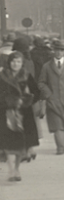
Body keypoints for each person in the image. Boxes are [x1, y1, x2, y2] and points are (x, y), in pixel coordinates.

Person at [0, 52, 40, 182]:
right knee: (5, 142)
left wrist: (26, 101)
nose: (15, 64)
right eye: (13, 61)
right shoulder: (2, 76)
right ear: (9, 62)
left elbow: (36, 92)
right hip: (5, 111)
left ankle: (16, 169)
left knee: (20, 143)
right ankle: (11, 169)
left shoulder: (26, 76)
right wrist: (7, 102)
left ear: (22, 63)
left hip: (23, 113)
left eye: (18, 62)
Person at [37, 40, 64, 155]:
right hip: (53, 100)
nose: (59, 53)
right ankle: (60, 147)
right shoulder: (47, 66)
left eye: (61, 50)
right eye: (57, 50)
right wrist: (48, 94)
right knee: (57, 126)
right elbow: (41, 82)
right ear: (53, 51)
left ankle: (63, 143)